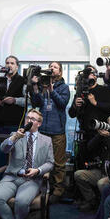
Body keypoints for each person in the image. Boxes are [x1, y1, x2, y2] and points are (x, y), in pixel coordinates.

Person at [0, 109, 54, 219]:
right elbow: (3, 149)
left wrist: (38, 170)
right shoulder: (16, 135)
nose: (29, 121)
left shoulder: (46, 140)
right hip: (12, 177)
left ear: (39, 123)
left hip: (32, 179)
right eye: (27, 118)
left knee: (22, 201)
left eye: (33, 119)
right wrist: (14, 138)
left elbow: (50, 163)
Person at [28, 61, 70, 198]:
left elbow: (62, 104)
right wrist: (35, 87)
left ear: (60, 71)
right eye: (50, 66)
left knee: (58, 163)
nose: (52, 68)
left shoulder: (64, 87)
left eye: (55, 67)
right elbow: (36, 103)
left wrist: (52, 91)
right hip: (42, 130)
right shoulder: (42, 85)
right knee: (41, 161)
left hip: (57, 131)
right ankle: (41, 188)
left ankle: (58, 191)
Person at [68, 65, 110, 168]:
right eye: (88, 73)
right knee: (83, 166)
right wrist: (75, 105)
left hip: (101, 133)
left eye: (92, 73)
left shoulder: (104, 90)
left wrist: (95, 103)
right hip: (85, 135)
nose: (90, 75)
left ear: (96, 76)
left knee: (99, 165)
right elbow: (71, 114)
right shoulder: (80, 92)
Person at [0, 55, 26, 133]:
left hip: (15, 124)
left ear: (17, 66)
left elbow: (29, 101)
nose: (9, 65)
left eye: (12, 63)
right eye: (7, 63)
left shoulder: (23, 80)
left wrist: (14, 100)